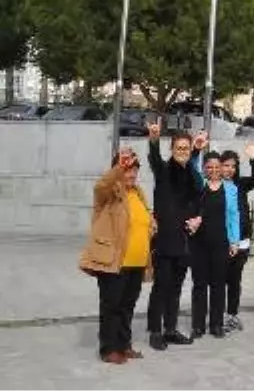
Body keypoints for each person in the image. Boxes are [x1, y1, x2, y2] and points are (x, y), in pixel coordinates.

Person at [80, 149, 154, 364]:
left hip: (137, 262)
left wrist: (151, 223)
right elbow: (100, 186)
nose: (131, 174)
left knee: (127, 307)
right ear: (117, 170)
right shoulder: (109, 193)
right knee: (111, 306)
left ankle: (124, 345)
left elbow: (140, 220)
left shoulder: (138, 192)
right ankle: (108, 349)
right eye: (126, 169)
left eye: (134, 170)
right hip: (114, 262)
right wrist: (118, 169)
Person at [145, 120, 198, 350]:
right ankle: (155, 330)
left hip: (185, 241)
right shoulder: (164, 170)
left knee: (176, 288)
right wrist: (154, 139)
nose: (183, 151)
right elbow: (154, 160)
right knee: (161, 287)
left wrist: (199, 218)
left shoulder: (193, 175)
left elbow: (200, 199)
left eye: (186, 148)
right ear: (172, 149)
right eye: (179, 148)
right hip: (165, 240)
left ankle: (170, 328)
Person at [188, 141, 240, 339]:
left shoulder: (231, 189)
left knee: (218, 284)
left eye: (217, 167)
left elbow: (234, 215)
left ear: (222, 168)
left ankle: (216, 324)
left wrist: (234, 241)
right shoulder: (199, 184)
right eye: (209, 167)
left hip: (221, 242)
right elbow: (191, 167)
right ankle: (198, 325)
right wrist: (197, 149)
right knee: (199, 284)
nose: (214, 170)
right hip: (199, 243)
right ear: (204, 168)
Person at [219, 145, 254, 331]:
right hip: (223, 241)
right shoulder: (214, 185)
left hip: (242, 240)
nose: (229, 169)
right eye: (226, 165)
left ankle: (232, 315)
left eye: (233, 166)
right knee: (220, 280)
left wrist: (253, 159)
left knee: (235, 281)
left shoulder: (240, 184)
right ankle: (217, 317)